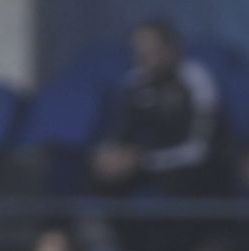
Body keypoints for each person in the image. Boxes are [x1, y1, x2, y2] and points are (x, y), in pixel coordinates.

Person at [89, 19, 219, 198]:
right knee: (90, 168)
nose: (143, 56)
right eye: (138, 50)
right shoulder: (133, 82)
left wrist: (144, 160)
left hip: (189, 165)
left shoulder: (198, 81)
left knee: (180, 183)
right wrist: (110, 154)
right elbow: (119, 130)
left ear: (171, 50)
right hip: (146, 162)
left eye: (151, 49)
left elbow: (198, 149)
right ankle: (65, 226)